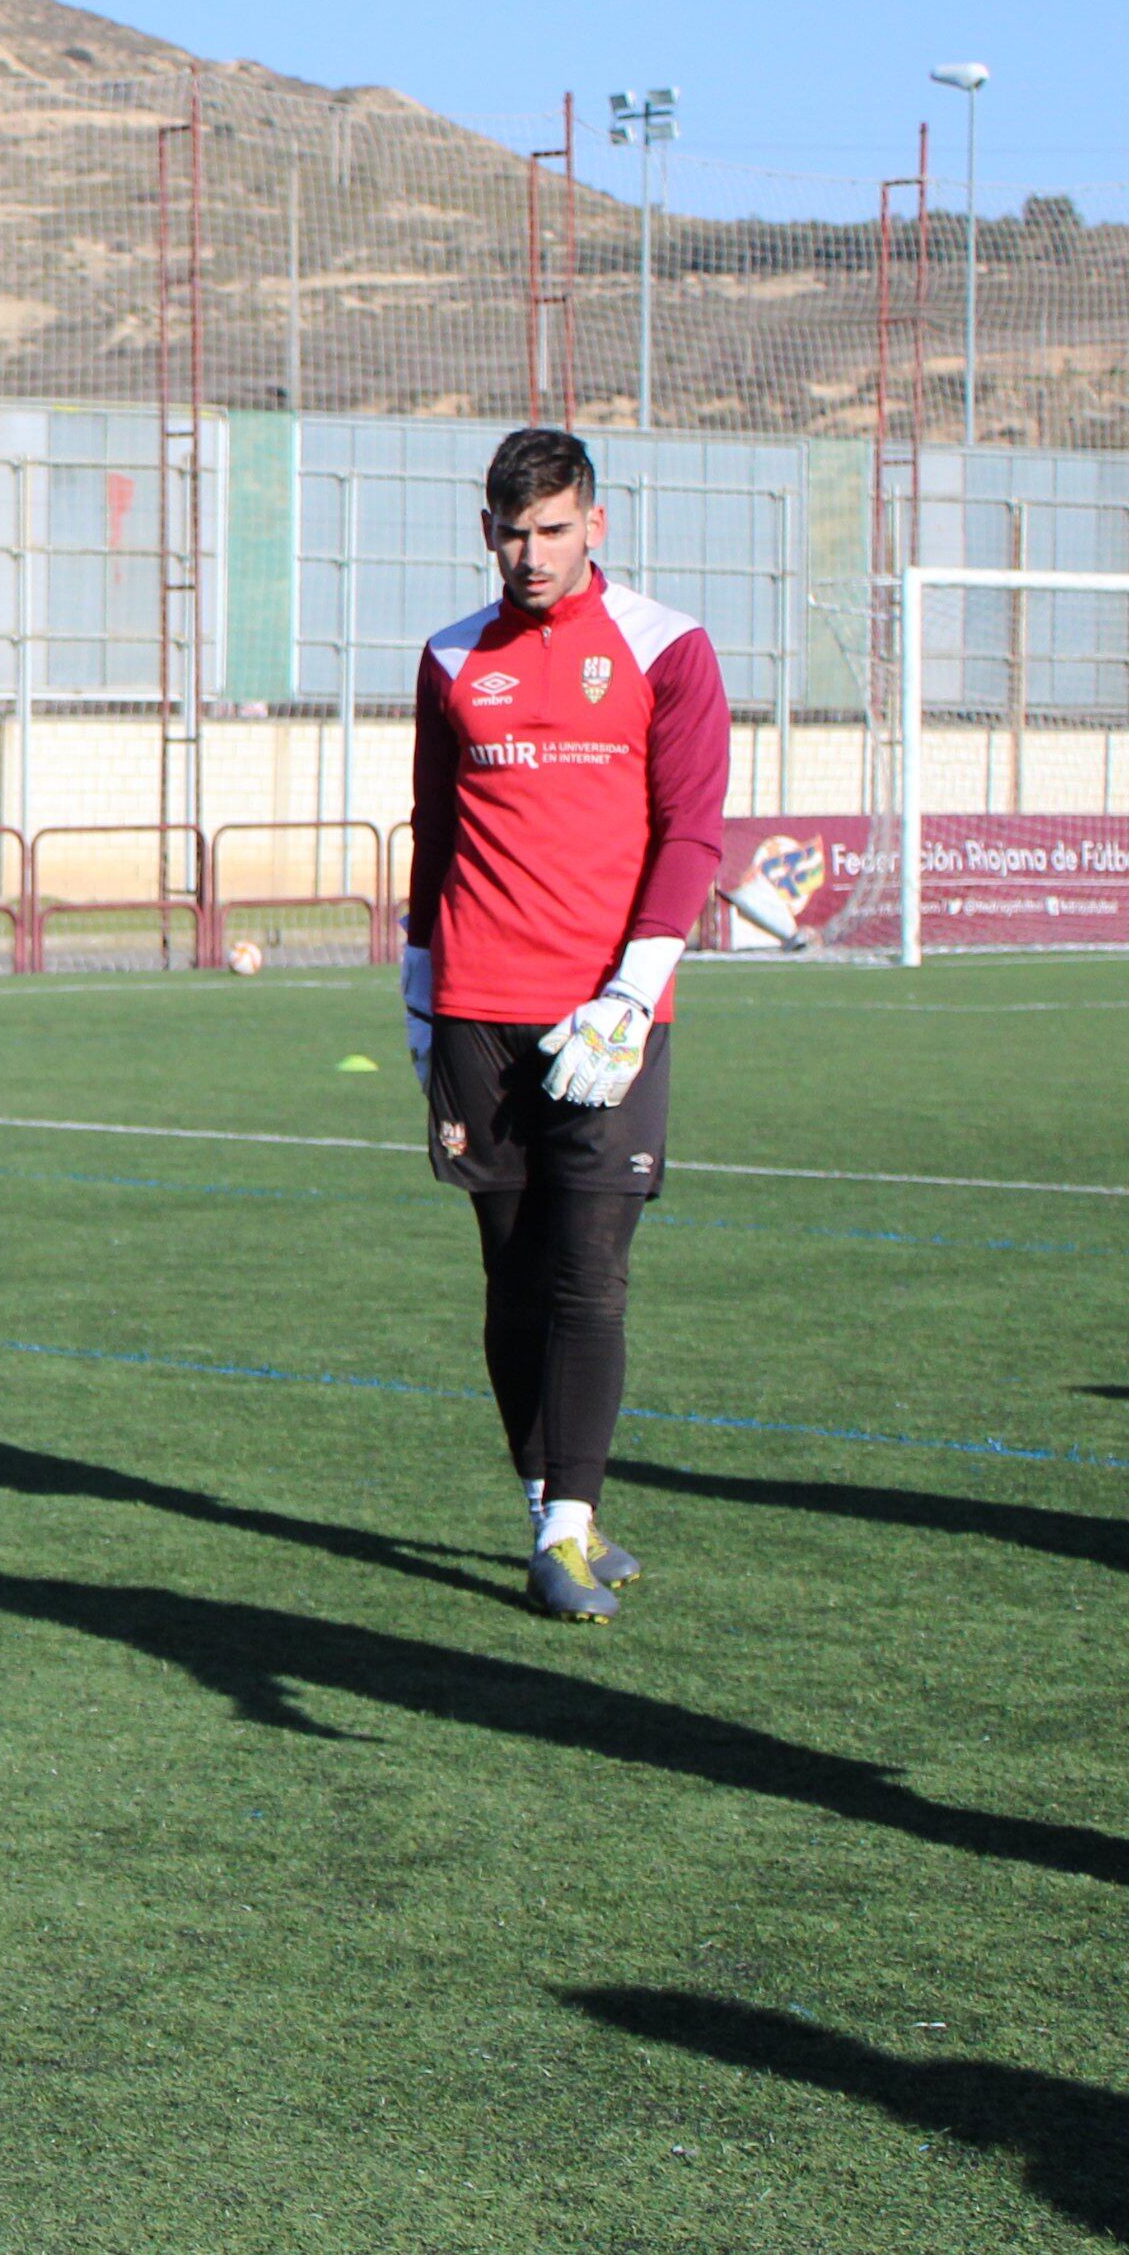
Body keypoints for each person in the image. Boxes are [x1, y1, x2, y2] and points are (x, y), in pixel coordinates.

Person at [404, 425, 728, 1621]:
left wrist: (632, 994)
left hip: (608, 1016)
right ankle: (548, 1499)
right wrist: (414, 986)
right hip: (476, 1009)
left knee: (590, 1272)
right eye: (510, 530)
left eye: (552, 529)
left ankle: (571, 1530)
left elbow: (689, 831)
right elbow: (433, 832)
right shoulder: (449, 657)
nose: (529, 553)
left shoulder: (668, 647)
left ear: (595, 523)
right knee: (511, 1271)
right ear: (483, 528)